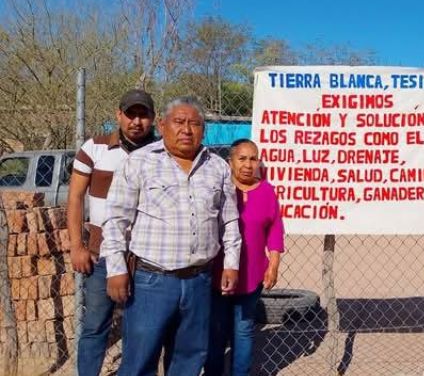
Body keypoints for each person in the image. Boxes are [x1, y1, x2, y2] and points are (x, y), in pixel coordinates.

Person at [100, 96, 242, 376]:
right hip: (151, 281)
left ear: (204, 130)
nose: (186, 130)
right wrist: (115, 269)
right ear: (163, 125)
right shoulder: (140, 162)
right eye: (179, 122)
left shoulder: (218, 167)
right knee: (140, 360)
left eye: (195, 123)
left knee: (189, 358)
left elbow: (230, 220)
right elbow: (116, 220)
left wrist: (232, 264)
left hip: (200, 281)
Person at [67, 89, 157, 376]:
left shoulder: (160, 152)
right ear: (118, 115)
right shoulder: (95, 148)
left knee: (140, 330)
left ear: (153, 119)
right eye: (131, 114)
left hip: (146, 259)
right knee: (95, 326)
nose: (137, 121)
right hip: (101, 255)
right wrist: (77, 246)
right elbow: (75, 198)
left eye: (143, 115)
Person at [205, 139, 285, 376]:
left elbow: (275, 229)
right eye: (242, 159)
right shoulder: (220, 189)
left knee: (244, 329)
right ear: (230, 162)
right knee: (216, 330)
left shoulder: (267, 191)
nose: (248, 164)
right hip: (217, 274)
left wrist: (273, 264)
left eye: (253, 159)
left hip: (252, 275)